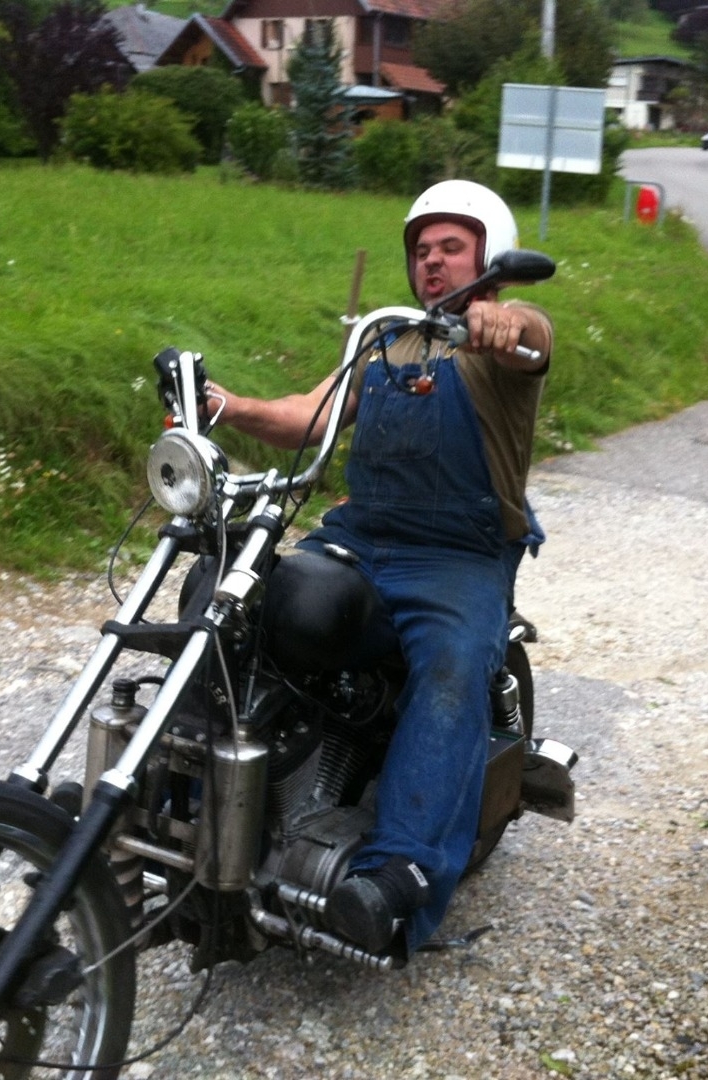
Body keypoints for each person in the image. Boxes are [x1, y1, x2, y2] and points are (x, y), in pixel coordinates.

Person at [205, 180, 552, 959]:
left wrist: (503, 321)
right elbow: (309, 414)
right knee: (246, 605)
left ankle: (400, 874)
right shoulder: (386, 342)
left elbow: (530, 338)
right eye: (421, 249)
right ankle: (215, 800)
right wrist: (228, 407)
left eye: (451, 247)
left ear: (490, 258)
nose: (431, 261)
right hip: (362, 537)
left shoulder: (500, 343)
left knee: (452, 669)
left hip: (456, 556)